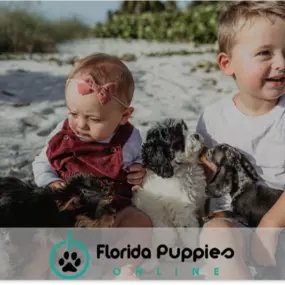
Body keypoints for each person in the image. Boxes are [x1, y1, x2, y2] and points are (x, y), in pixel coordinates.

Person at [32, 52, 152, 280]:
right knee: (42, 228)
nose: (80, 124)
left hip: (113, 215)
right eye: (73, 113)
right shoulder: (62, 134)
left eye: (94, 119)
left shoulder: (130, 138)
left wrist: (141, 171)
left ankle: (123, 267)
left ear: (124, 115)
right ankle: (44, 269)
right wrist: (51, 182)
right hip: (71, 214)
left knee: (139, 221)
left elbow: (142, 161)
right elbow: (41, 164)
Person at [196, 0, 285, 280]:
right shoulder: (212, 118)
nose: (281, 63)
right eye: (264, 53)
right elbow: (205, 178)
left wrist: (271, 225)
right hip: (239, 223)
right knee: (216, 237)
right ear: (227, 63)